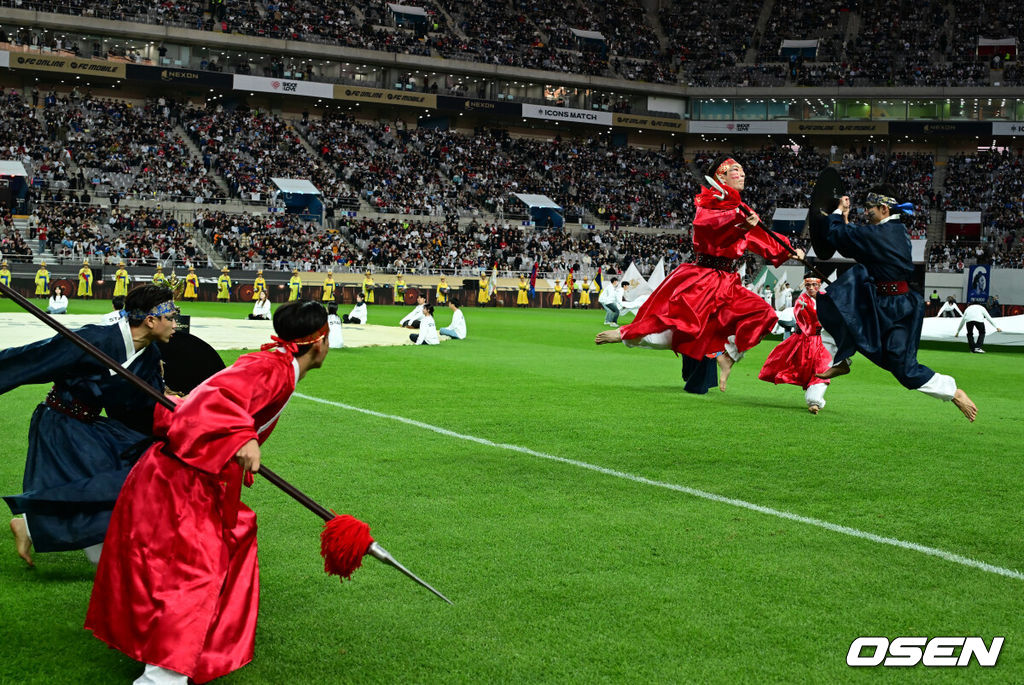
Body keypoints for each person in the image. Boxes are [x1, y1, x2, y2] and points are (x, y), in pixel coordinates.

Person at [85, 300, 331, 684]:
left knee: (219, 554)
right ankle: (160, 676)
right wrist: (242, 436)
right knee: (194, 572)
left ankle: (181, 651)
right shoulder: (272, 368)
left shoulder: (276, 365)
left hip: (192, 474)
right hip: (183, 479)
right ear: (320, 343)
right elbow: (214, 398)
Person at [595, 157, 802, 393]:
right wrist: (739, 227)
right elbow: (707, 228)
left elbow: (761, 238)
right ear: (720, 177)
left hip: (728, 280)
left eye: (743, 170)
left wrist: (790, 251)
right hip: (704, 278)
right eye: (736, 170)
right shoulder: (709, 203)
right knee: (685, 327)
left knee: (762, 314)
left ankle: (728, 357)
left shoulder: (741, 209)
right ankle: (625, 335)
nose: (743, 174)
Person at [2, 285, 175, 566]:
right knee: (94, 491)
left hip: (92, 424)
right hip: (60, 422)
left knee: (140, 470)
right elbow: (34, 359)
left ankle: (29, 527)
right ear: (151, 320)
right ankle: (104, 562)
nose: (175, 324)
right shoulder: (94, 339)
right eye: (172, 316)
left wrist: (170, 398)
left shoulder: (150, 354)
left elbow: (142, 402)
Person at [814, 189, 977, 421]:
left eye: (870, 211)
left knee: (903, 367)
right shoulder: (893, 231)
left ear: (884, 209)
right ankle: (842, 359)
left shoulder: (884, 234)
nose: (867, 214)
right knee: (837, 303)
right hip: (882, 301)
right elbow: (852, 244)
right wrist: (845, 219)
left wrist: (839, 212)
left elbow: (841, 236)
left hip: (897, 309)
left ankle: (953, 392)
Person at [758, 274, 834, 414]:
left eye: (814, 285)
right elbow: (809, 321)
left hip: (822, 342)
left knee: (822, 368)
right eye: (808, 285)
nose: (811, 288)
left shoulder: (826, 298)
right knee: (801, 369)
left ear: (819, 285)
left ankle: (814, 401)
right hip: (804, 341)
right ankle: (816, 399)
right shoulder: (802, 301)